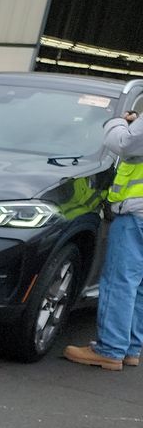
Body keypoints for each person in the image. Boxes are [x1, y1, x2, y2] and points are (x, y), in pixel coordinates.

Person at [65, 106, 143, 369]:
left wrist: (116, 122)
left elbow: (125, 144)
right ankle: (130, 348)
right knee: (138, 285)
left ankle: (110, 349)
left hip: (137, 213)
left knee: (120, 281)